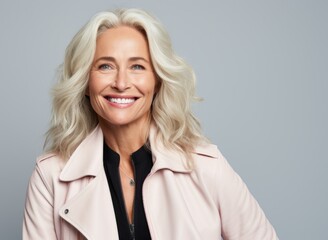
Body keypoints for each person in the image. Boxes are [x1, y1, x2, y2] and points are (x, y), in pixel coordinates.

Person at [23, 8, 278, 240]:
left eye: (137, 66)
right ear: (85, 83)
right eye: (105, 66)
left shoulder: (206, 167)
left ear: (157, 81)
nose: (121, 83)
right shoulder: (51, 176)